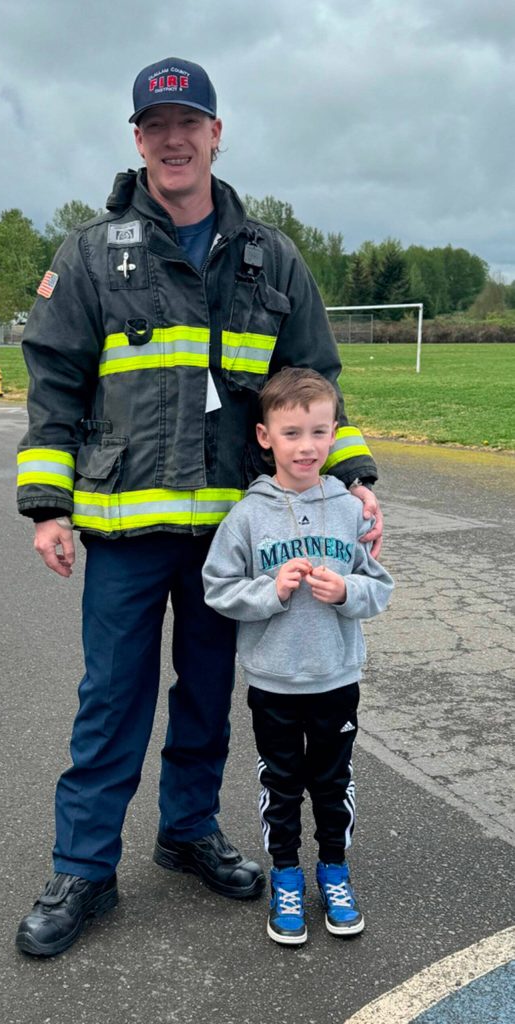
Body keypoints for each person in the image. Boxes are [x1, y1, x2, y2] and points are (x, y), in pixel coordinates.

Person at [14, 57, 383, 958]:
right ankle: (84, 868)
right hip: (126, 529)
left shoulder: (270, 258)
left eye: (189, 123)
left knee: (209, 697)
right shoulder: (91, 254)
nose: (172, 140)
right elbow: (54, 386)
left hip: (234, 532)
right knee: (112, 699)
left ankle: (186, 834)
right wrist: (46, 506)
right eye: (154, 126)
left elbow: (312, 383)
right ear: (136, 139)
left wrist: (354, 475)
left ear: (216, 134)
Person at [202, 367, 393, 945]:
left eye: (318, 432)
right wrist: (272, 590)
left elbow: (378, 586)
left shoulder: (350, 510)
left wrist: (347, 593)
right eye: (291, 433)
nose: (306, 447)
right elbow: (218, 587)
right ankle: (286, 873)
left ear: (335, 434)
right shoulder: (248, 515)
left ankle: (333, 868)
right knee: (282, 784)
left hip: (336, 678)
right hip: (274, 682)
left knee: (333, 782)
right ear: (265, 437)